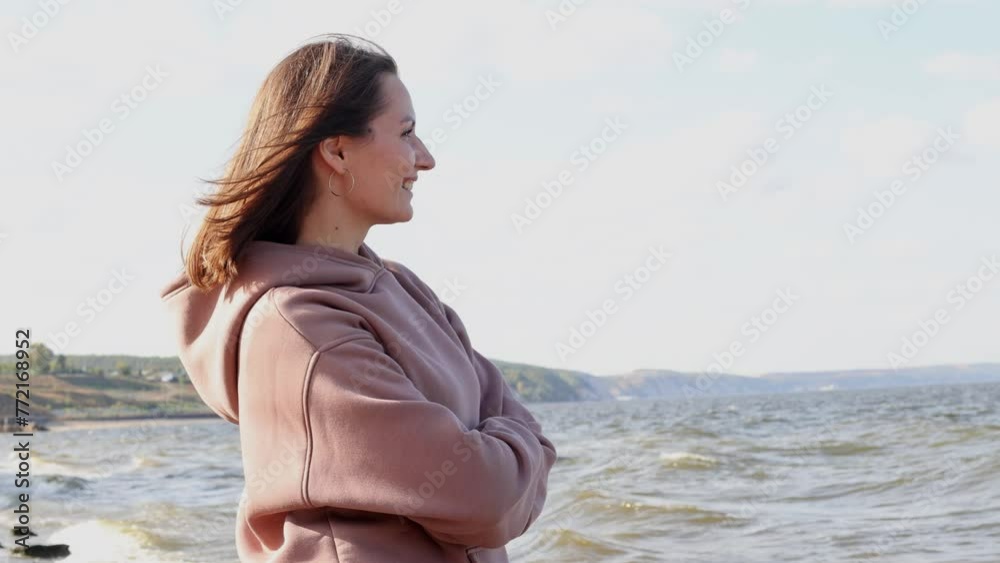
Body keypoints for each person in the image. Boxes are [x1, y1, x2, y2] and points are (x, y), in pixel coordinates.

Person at [158, 33, 557, 563]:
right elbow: (486, 497)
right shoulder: (298, 327)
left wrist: (503, 446)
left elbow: (517, 438)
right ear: (337, 150)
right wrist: (505, 445)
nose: (426, 158)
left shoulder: (405, 289)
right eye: (407, 133)